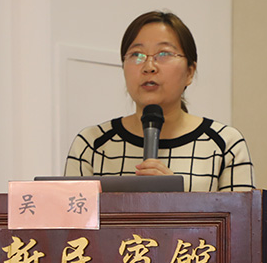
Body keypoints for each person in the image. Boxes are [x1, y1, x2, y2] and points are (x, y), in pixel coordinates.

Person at [64, 11, 255, 192]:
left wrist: (173, 201)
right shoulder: (92, 144)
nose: (149, 66)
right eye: (136, 55)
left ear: (190, 72)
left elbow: (242, 215)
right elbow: (69, 214)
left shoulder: (224, 144)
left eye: (163, 54)